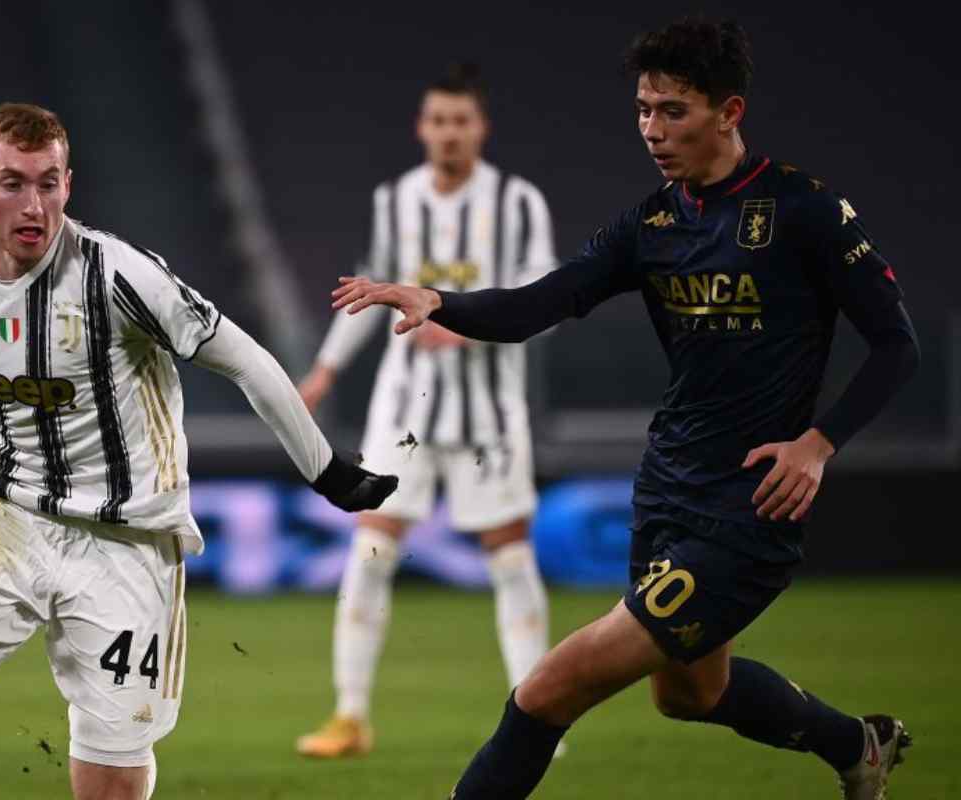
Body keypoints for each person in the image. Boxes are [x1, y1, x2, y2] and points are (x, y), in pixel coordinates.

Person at [332, 19, 919, 800]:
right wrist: (438, 299)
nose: (652, 129)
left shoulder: (804, 210)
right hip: (668, 489)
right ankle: (859, 744)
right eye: (643, 109)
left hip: (747, 507)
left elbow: (896, 346)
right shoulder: (651, 225)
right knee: (689, 695)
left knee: (548, 688)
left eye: (673, 111)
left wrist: (818, 443)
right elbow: (541, 303)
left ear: (729, 111)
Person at [0, 102, 396, 800]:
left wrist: (327, 469)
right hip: (9, 521)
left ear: (69, 184)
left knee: (110, 790)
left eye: (49, 182)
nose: (33, 204)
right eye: (12, 182)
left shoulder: (118, 274)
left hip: (128, 542)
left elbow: (244, 359)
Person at [295, 63, 560, 759]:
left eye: (460, 121)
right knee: (372, 548)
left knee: (509, 557)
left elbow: (548, 299)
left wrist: (468, 318)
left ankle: (540, 718)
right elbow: (367, 293)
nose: (448, 133)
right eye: (437, 120)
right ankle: (350, 717)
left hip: (488, 415)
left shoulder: (518, 203)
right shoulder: (395, 202)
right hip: (404, 411)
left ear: (481, 128)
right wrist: (323, 372)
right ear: (422, 127)